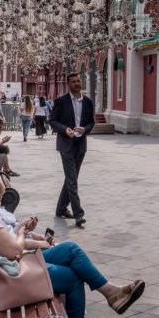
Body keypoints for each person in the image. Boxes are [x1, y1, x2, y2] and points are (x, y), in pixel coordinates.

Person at [0, 173, 145, 318]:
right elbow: (13, 251)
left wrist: (18, 230)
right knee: (72, 278)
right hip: (6, 277)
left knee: (70, 249)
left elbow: (5, 244)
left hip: (7, 269)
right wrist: (21, 233)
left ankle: (110, 293)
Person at [49, 74, 95, 228]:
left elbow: (91, 122)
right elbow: (53, 121)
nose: (76, 83)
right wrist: (65, 129)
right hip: (65, 144)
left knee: (71, 178)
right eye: (73, 82)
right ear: (68, 84)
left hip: (80, 144)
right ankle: (78, 214)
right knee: (72, 179)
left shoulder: (88, 102)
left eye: (78, 81)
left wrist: (84, 129)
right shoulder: (61, 101)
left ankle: (61, 209)